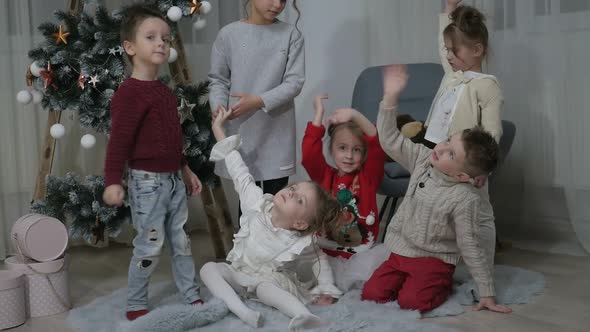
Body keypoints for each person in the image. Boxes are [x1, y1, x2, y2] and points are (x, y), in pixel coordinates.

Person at [362, 64, 512, 314]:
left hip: (434, 261)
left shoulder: (464, 199)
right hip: (400, 252)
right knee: (372, 294)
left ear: (462, 175)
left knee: (411, 302)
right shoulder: (423, 158)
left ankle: (442, 285)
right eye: (447, 141)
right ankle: (409, 280)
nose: (440, 148)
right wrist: (390, 98)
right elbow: (389, 139)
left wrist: (487, 291)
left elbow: (470, 244)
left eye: (451, 153)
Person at [200, 106, 343, 329]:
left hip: (265, 281)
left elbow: (319, 261)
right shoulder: (256, 203)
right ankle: (241, 311)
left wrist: (325, 288)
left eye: (299, 200)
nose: (291, 192)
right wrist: (218, 128)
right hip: (239, 274)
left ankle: (304, 315)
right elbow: (239, 170)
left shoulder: (299, 240)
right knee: (209, 269)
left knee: (266, 289)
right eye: (294, 188)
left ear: (300, 223)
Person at [102, 4, 203, 321]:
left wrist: (185, 169)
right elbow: (119, 142)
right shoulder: (129, 94)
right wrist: (112, 181)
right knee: (148, 245)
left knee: (181, 241)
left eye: (165, 38)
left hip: (173, 179)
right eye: (151, 37)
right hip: (146, 183)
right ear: (130, 47)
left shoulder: (164, 92)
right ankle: (135, 303)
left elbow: (173, 137)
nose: (161, 43)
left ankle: (191, 294)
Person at [208, 0, 304, 197]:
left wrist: (258, 101)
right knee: (247, 201)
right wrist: (218, 106)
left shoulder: (291, 35)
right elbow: (218, 79)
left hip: (277, 133)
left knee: (276, 202)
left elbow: (294, 82)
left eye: (284, 0)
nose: (278, 4)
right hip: (240, 130)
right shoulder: (228, 34)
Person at [302, 94, 385, 258]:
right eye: (342, 148)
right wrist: (319, 113)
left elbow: (376, 143)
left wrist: (354, 114)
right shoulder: (324, 176)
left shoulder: (368, 178)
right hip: (325, 253)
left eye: (356, 150)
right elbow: (309, 155)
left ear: (364, 153)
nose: (349, 156)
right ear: (331, 150)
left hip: (358, 254)